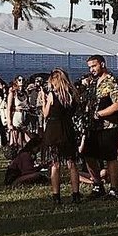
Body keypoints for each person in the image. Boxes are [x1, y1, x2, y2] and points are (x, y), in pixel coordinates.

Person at [85, 55, 118, 200]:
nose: (92, 69)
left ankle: (114, 189)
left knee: (110, 157)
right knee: (88, 154)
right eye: (90, 67)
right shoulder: (93, 82)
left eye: (94, 66)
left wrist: (100, 114)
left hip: (110, 125)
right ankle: (97, 184)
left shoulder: (112, 82)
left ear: (102, 64)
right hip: (93, 126)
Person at [41, 68, 82, 205]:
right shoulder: (72, 94)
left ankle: (56, 195)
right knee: (72, 163)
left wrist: (43, 101)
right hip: (68, 129)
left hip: (54, 130)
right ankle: (76, 193)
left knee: (55, 164)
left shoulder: (53, 95)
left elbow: (46, 114)